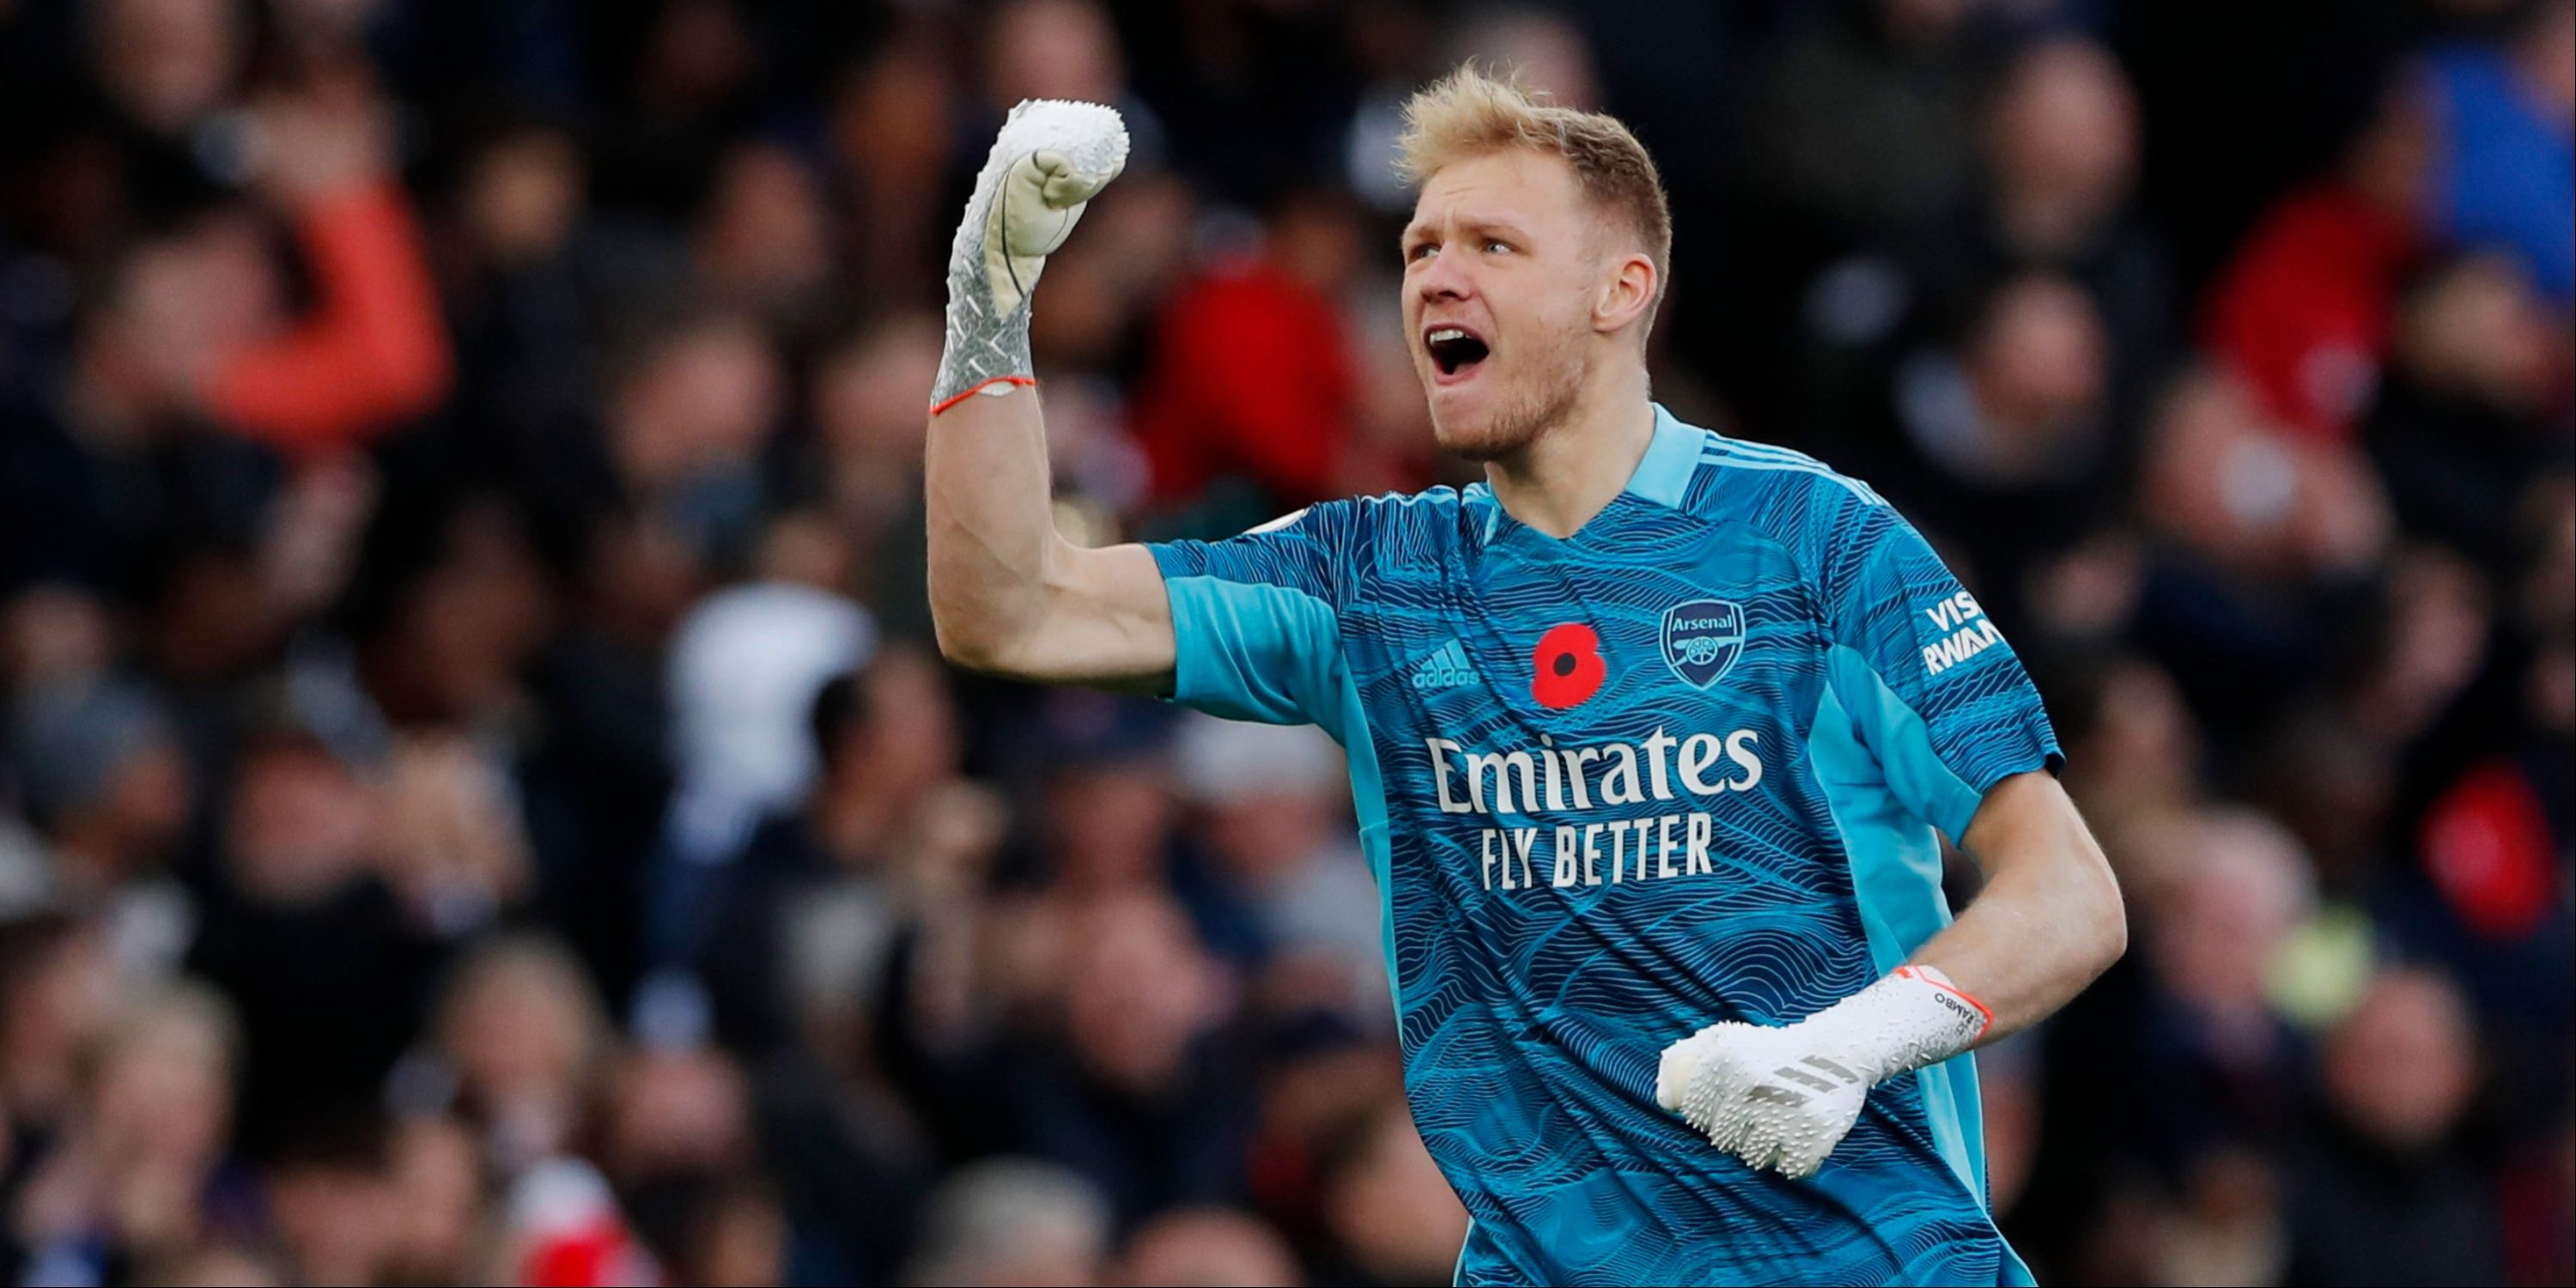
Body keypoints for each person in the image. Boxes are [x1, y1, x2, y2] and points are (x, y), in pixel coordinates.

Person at [923, 69, 2127, 1285]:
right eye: (1419, 248)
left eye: (1494, 243)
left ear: (1623, 289)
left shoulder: (1813, 543)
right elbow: (1010, 612)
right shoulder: (1369, 583)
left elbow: (2072, 898)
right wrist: (988, 300)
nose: (1437, 276)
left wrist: (1850, 1047)